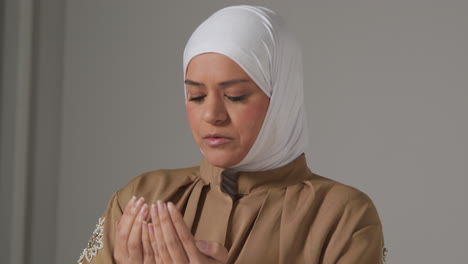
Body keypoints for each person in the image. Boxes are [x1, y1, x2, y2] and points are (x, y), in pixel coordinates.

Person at [77, 5, 385, 264]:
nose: (212, 115)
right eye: (196, 97)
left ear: (282, 98)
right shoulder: (141, 198)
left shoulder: (344, 217)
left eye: (235, 96)